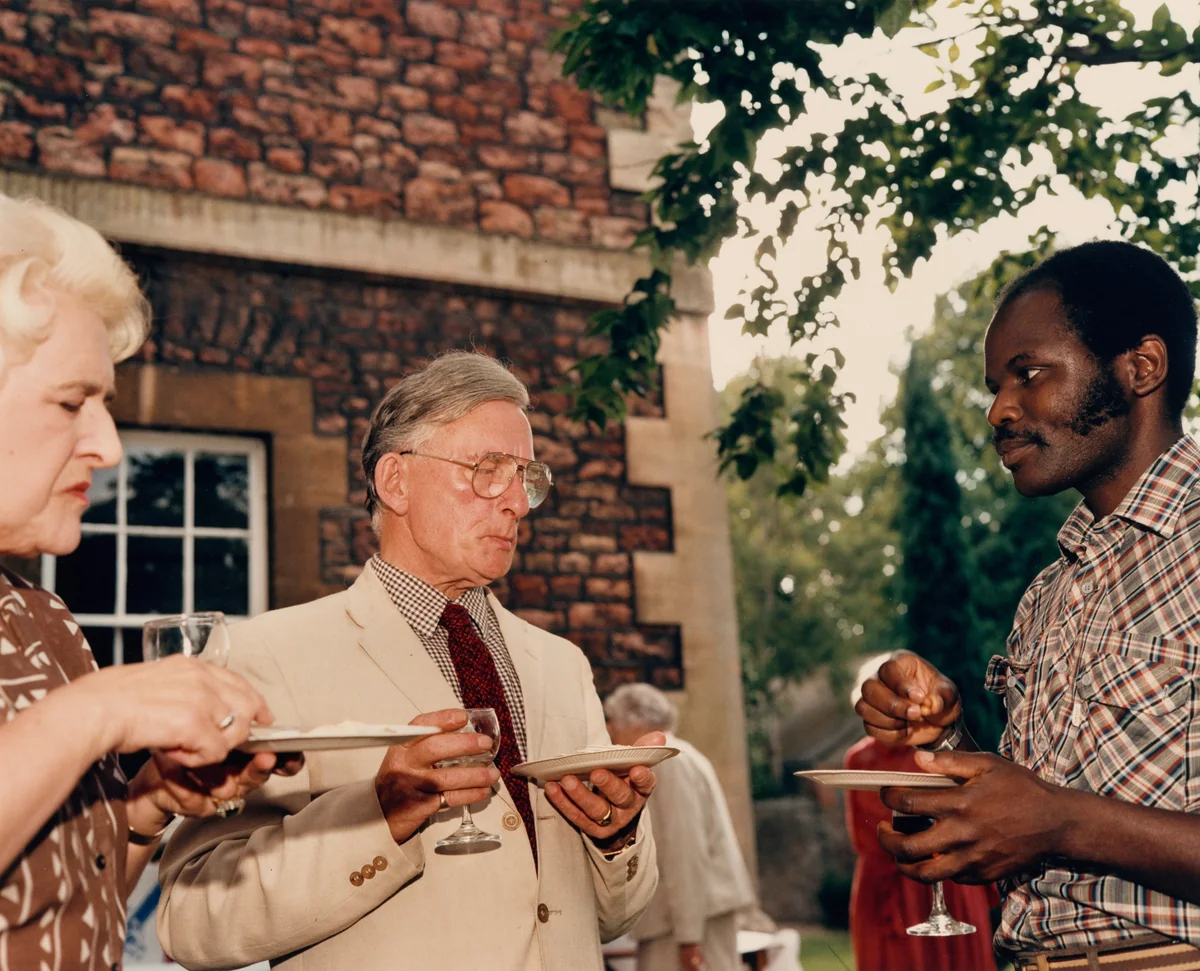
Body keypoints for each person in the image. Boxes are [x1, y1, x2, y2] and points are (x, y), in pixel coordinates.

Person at [157, 352, 662, 971]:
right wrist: (378, 817)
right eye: (487, 470)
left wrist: (614, 834)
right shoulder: (270, 654)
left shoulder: (561, 664)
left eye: (526, 477)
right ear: (395, 481)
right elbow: (192, 920)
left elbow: (610, 917)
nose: (517, 503)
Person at [854, 240, 1200, 969]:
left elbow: (1055, 819)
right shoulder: (1049, 592)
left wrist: (1062, 823)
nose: (998, 411)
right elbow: (1031, 819)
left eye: (1027, 373)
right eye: (993, 385)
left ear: (1141, 367)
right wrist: (948, 738)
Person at [0, 193, 299, 970]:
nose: (107, 444)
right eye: (73, 402)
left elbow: (78, 919)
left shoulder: (42, 623)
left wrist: (145, 808)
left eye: (105, 403)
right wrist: (99, 709)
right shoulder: (81, 689)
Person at [843, 656, 998, 971]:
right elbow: (860, 834)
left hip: (945, 875)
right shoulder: (857, 758)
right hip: (887, 882)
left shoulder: (935, 748)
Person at [604, 682, 755, 971]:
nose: (610, 732)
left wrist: (689, 939)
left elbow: (685, 851)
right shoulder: (678, 755)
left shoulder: (668, 762)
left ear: (634, 721)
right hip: (686, 920)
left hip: (686, 926)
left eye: (612, 722)